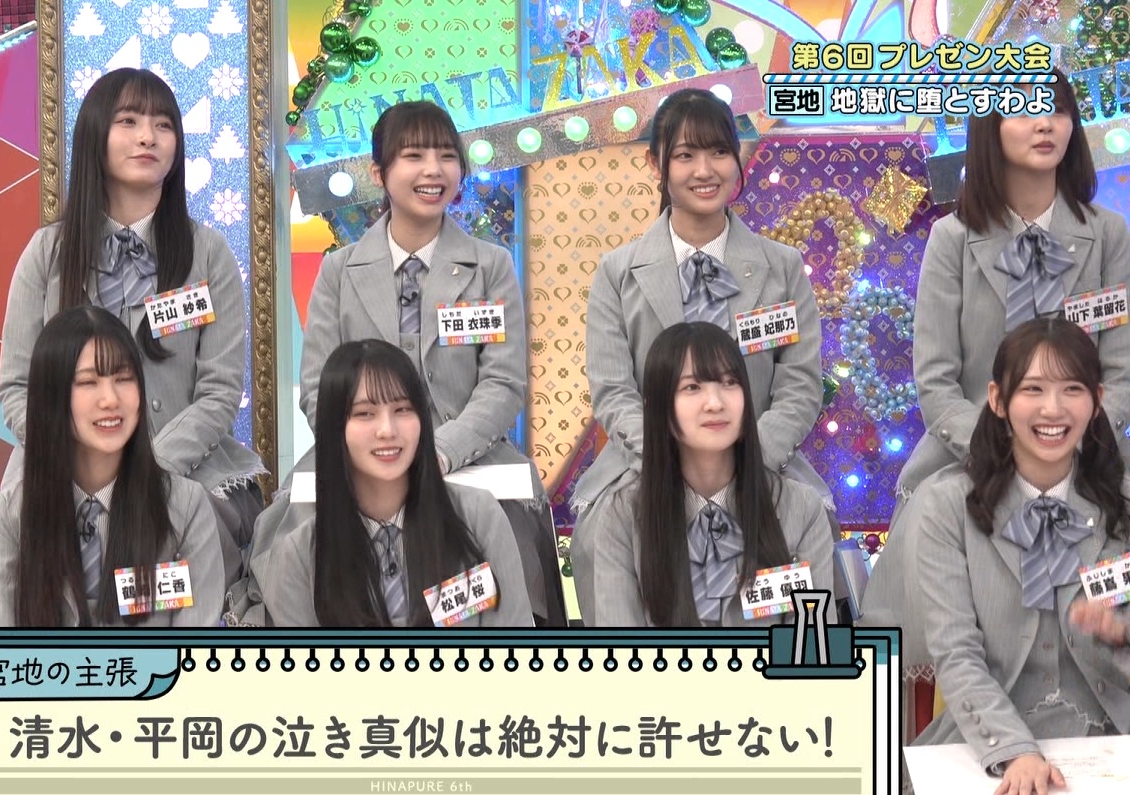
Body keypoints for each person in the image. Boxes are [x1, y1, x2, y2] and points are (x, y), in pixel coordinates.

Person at [862, 67, 1130, 674]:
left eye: (1056, 110)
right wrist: (1008, 449)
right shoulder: (952, 239)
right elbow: (936, 381)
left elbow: (1119, 372)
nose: (1045, 125)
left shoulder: (1109, 234)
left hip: (1087, 448)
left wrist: (1067, 442)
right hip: (974, 453)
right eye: (1023, 110)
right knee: (934, 531)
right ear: (989, 128)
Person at [257, 100, 564, 626]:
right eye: (414, 156)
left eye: (446, 156)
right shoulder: (339, 271)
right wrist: (368, 444)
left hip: (468, 453)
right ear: (379, 173)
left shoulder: (490, 265)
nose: (433, 170)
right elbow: (318, 389)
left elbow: (502, 383)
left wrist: (439, 451)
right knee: (293, 532)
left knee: (508, 538)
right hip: (360, 450)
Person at [0, 67, 264, 589]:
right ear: (95, 135)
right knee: (21, 557)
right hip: (60, 468)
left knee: (179, 563)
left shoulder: (208, 253)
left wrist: (147, 471)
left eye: (163, 125)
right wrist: (81, 465)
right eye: (129, 121)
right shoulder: (47, 255)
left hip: (183, 470)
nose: (148, 136)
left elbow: (218, 392)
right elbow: (17, 387)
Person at [573, 87, 831, 625]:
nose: (704, 170)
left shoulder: (783, 267)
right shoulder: (617, 273)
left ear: (737, 159)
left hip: (760, 459)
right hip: (645, 462)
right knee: (599, 539)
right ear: (656, 164)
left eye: (718, 152)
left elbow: (799, 386)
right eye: (686, 155)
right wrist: (669, 465)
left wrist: (747, 463)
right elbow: (614, 392)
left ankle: (791, 668)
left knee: (815, 521)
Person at [906, 318, 1130, 795]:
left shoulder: (1124, 505)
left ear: (1096, 401)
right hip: (987, 743)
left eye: (1072, 389)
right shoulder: (947, 507)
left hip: (1110, 743)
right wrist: (1015, 751)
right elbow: (956, 651)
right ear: (998, 399)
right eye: (1033, 389)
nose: (1053, 408)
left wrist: (1120, 634)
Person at [0, 306, 226, 627]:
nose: (110, 399)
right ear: (52, 396)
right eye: (88, 382)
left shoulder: (186, 508)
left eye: (124, 378)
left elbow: (194, 644)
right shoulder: (13, 513)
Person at [253, 339, 534, 627]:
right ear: (334, 427)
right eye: (365, 413)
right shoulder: (300, 555)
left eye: (402, 409)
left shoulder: (478, 516)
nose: (388, 430)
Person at [593, 322, 835, 627]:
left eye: (729, 382)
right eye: (692, 387)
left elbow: (815, 642)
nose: (715, 403)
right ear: (657, 407)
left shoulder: (801, 508)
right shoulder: (622, 515)